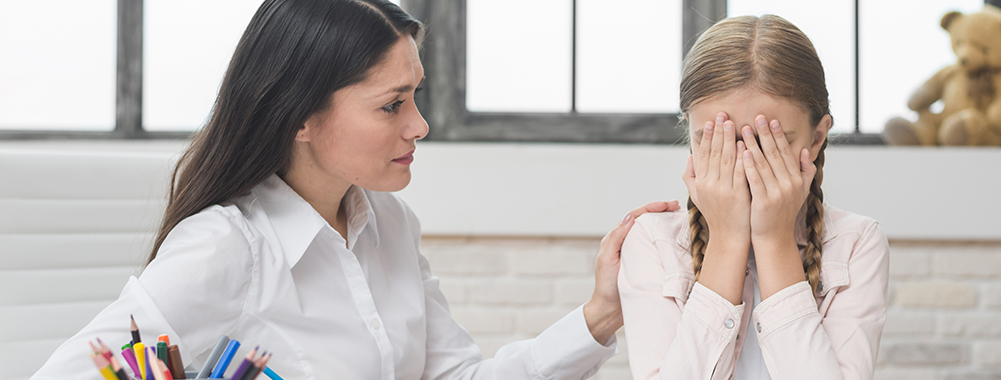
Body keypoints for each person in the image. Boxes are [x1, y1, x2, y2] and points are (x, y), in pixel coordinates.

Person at [30, 0, 678, 379]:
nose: (419, 125)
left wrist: (599, 314)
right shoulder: (225, 250)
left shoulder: (389, 224)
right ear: (301, 117)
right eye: (392, 104)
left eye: (416, 96)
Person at [617, 14, 890, 380]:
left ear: (817, 137)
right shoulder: (653, 240)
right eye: (716, 141)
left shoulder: (858, 243)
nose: (744, 163)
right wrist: (728, 240)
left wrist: (773, 239)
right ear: (690, 133)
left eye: (769, 144)